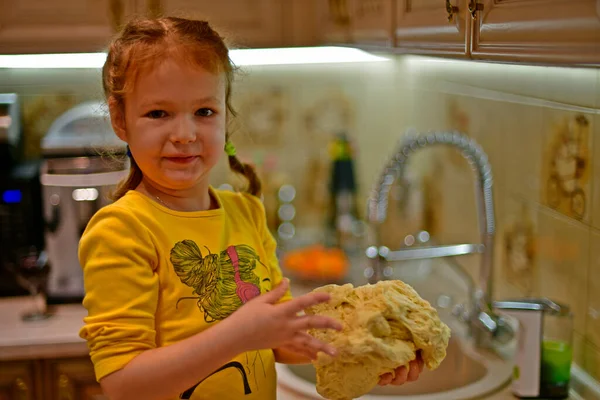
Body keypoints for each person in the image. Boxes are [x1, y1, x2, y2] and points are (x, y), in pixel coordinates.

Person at [78, 16, 423, 400]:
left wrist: (365, 352)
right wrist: (240, 334)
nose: (185, 134)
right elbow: (124, 385)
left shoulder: (246, 213)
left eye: (204, 112)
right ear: (120, 119)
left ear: (225, 115)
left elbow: (282, 337)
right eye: (158, 113)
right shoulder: (122, 230)